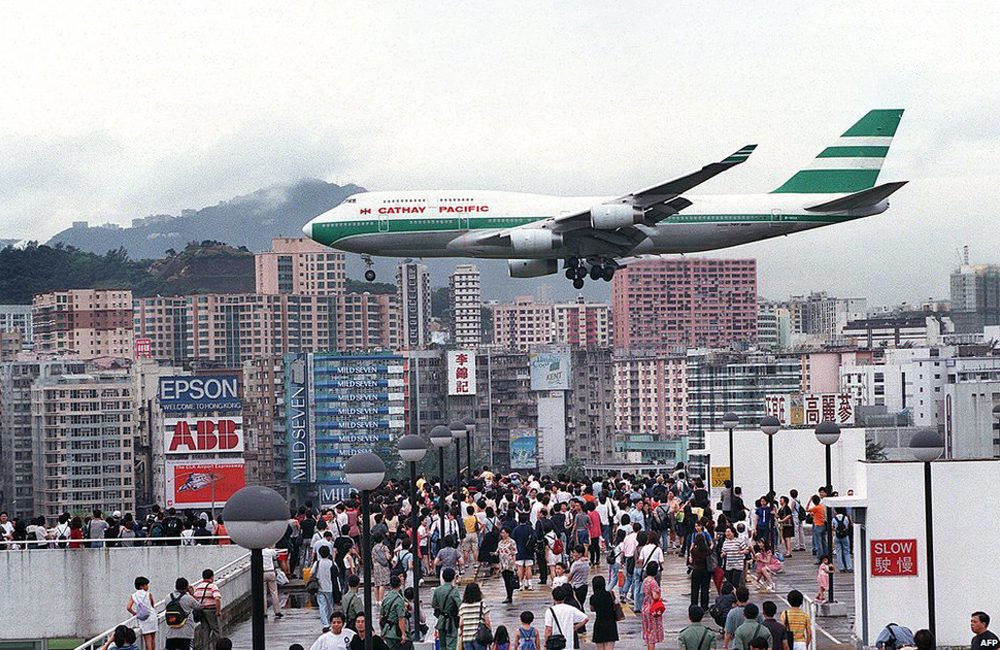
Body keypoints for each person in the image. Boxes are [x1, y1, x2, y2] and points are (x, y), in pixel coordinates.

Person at [544, 584, 589, 650]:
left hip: (555, 643)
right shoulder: (571, 609)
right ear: (564, 597)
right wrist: (576, 627)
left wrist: (546, 644)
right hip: (569, 643)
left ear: (553, 597)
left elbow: (548, 629)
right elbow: (586, 618)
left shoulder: (550, 611)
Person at [164, 577, 201, 650]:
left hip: (171, 632)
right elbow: (199, 606)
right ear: (186, 587)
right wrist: (192, 594)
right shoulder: (188, 598)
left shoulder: (168, 597)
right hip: (186, 632)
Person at [432, 567, 462, 650]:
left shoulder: (437, 590)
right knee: (451, 644)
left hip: (441, 620)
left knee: (442, 645)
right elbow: (460, 605)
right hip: (451, 621)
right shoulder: (454, 590)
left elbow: (434, 604)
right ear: (453, 577)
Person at [192, 569, 222, 650]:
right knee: (216, 630)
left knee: (205, 630)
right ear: (212, 577)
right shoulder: (213, 586)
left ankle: (205, 648)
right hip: (211, 610)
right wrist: (218, 611)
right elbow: (217, 598)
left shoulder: (198, 587)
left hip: (201, 611)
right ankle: (219, 647)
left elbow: (195, 599)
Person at [458, 583, 492, 650]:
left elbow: (461, 623)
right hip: (479, 638)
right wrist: (490, 631)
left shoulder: (462, 606)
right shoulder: (482, 605)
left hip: (466, 638)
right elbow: (487, 622)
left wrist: (462, 631)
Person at [589, 575, 619, 649]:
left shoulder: (593, 597)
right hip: (611, 623)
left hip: (599, 624)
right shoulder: (610, 594)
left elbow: (592, 609)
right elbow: (616, 604)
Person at [128, 576, 158, 650]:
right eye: (146, 585)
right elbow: (152, 605)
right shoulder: (148, 594)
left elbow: (128, 607)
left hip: (143, 619)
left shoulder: (133, 596)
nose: (147, 586)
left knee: (147, 639)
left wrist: (134, 613)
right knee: (153, 638)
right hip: (152, 617)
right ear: (142, 586)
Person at [640, 561, 665, 650]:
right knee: (652, 633)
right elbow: (655, 596)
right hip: (652, 609)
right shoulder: (653, 582)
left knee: (648, 631)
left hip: (645, 607)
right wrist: (659, 597)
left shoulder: (645, 580)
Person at [379, 575, 408, 650]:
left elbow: (381, 616)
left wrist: (382, 630)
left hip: (386, 629)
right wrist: (403, 634)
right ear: (400, 584)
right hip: (395, 631)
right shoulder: (399, 600)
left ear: (390, 585)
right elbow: (401, 618)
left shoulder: (386, 597)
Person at [313, 546, 338, 632]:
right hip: (330, 587)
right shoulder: (332, 563)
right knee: (330, 606)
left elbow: (312, 573)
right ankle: (331, 622)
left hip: (320, 587)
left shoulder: (317, 563)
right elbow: (336, 575)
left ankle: (325, 624)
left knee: (322, 606)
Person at [512, 513, 536, 591]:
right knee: (529, 567)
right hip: (529, 551)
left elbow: (513, 541)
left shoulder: (516, 529)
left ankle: (520, 584)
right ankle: (530, 584)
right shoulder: (530, 529)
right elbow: (534, 539)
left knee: (520, 567)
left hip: (519, 551)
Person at [689, 533, 713, 610]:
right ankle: (704, 606)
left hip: (696, 570)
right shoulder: (707, 550)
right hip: (706, 571)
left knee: (694, 589)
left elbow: (691, 556)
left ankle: (694, 604)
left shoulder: (694, 551)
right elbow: (711, 550)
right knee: (705, 589)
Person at [497, 527, 519, 604]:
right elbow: (498, 551)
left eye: (504, 533)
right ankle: (508, 595)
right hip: (502, 564)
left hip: (509, 563)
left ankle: (510, 596)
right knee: (506, 580)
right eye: (501, 533)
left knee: (510, 580)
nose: (502, 534)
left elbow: (514, 553)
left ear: (508, 533)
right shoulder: (500, 542)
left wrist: (514, 563)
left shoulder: (512, 542)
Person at [261, 546, 283, 617]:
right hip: (271, 572)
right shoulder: (270, 551)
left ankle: (264, 612)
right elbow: (276, 555)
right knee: (274, 592)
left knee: (263, 593)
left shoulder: (260, 552)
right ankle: (277, 611)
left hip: (263, 572)